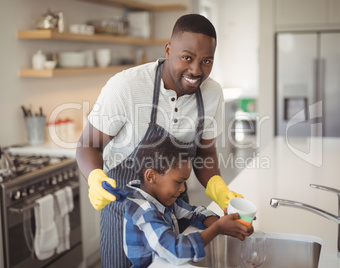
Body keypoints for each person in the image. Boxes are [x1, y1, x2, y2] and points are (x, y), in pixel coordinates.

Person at [76, 14, 244, 268]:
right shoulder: (126, 86)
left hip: (172, 207)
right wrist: (95, 177)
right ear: (168, 50)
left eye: (206, 61)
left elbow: (205, 153)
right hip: (123, 212)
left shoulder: (212, 94)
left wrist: (219, 189)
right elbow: (88, 144)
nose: (196, 70)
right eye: (187, 57)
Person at [120, 136, 253, 267]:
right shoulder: (144, 211)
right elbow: (175, 251)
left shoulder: (163, 201)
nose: (183, 188)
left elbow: (195, 213)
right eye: (179, 182)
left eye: (184, 182)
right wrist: (217, 228)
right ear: (151, 176)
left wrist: (228, 224)